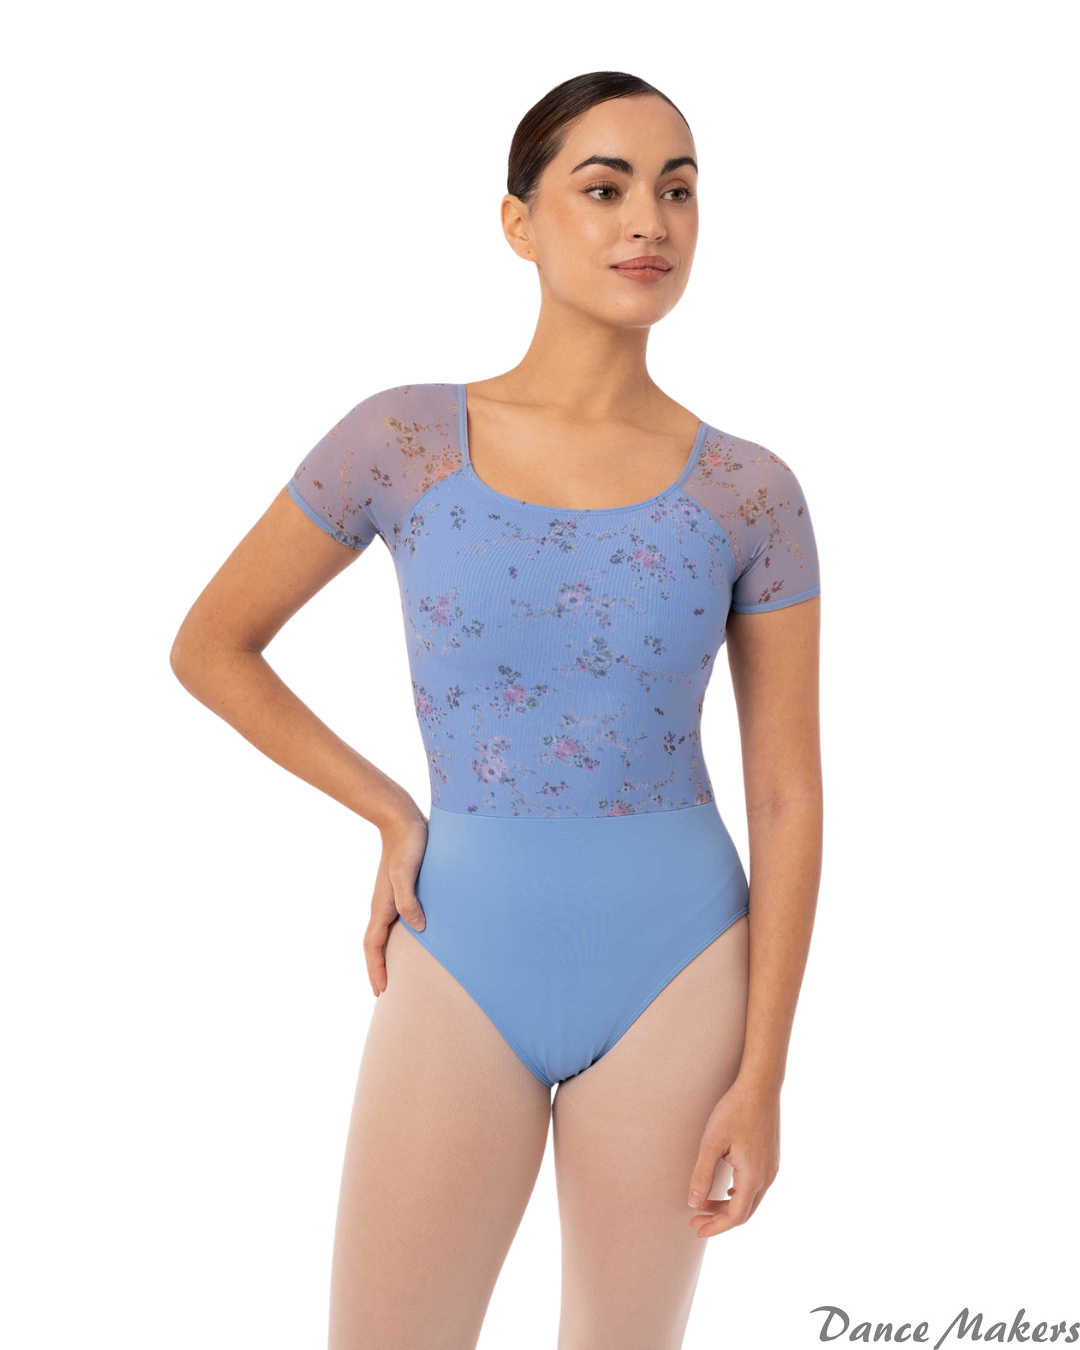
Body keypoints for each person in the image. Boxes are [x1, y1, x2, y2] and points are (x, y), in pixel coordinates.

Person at [171, 70, 823, 1350]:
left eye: (679, 190)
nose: (649, 222)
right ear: (519, 220)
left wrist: (766, 1074)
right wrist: (388, 810)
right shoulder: (403, 441)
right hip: (462, 940)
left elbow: (789, 793)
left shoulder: (751, 492)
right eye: (605, 188)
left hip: (683, 965)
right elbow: (212, 646)